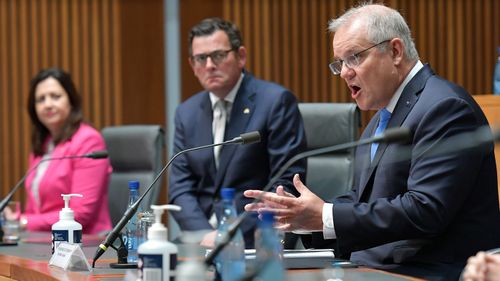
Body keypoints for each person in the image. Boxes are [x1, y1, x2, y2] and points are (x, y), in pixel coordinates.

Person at [244, 3, 500, 280]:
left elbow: (425, 210)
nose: (344, 72)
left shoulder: (444, 107)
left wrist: (326, 216)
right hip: (375, 268)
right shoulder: (382, 118)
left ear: (395, 51)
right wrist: (304, 218)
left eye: (354, 57)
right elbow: (362, 199)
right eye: (339, 63)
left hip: (428, 272)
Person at [168, 17, 307, 248]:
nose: (210, 65)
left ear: (240, 56)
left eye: (219, 55)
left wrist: (230, 236)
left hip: (256, 240)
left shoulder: (275, 102)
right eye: (201, 58)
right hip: (201, 241)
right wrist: (205, 235)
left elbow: (284, 185)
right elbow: (180, 190)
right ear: (192, 66)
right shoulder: (187, 113)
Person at [19, 67, 112, 234]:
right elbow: (33, 208)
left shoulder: (88, 140)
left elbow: (80, 214)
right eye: (40, 99)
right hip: (42, 241)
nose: (48, 104)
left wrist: (24, 221)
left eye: (55, 96)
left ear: (71, 100)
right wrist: (14, 220)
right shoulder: (42, 145)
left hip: (84, 244)